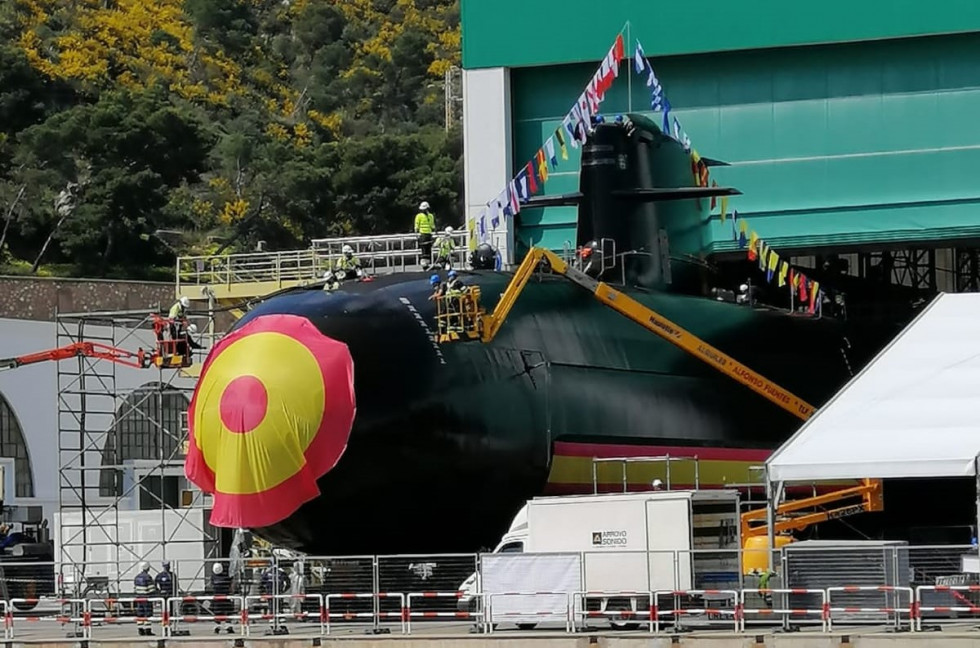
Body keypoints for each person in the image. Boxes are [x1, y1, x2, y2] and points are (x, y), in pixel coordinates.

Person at [210, 563, 234, 634]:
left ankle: (217, 628)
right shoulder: (226, 577)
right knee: (228, 613)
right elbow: (231, 586)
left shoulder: (213, 578)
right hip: (225, 598)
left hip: (217, 599)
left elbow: (212, 586)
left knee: (218, 614)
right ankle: (228, 627)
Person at [134, 562, 155, 636]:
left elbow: (135, 589)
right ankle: (148, 630)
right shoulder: (148, 577)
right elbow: (151, 589)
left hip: (139, 598)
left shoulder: (137, 577)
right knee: (148, 614)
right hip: (146, 598)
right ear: (148, 568)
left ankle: (140, 630)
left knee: (140, 614)